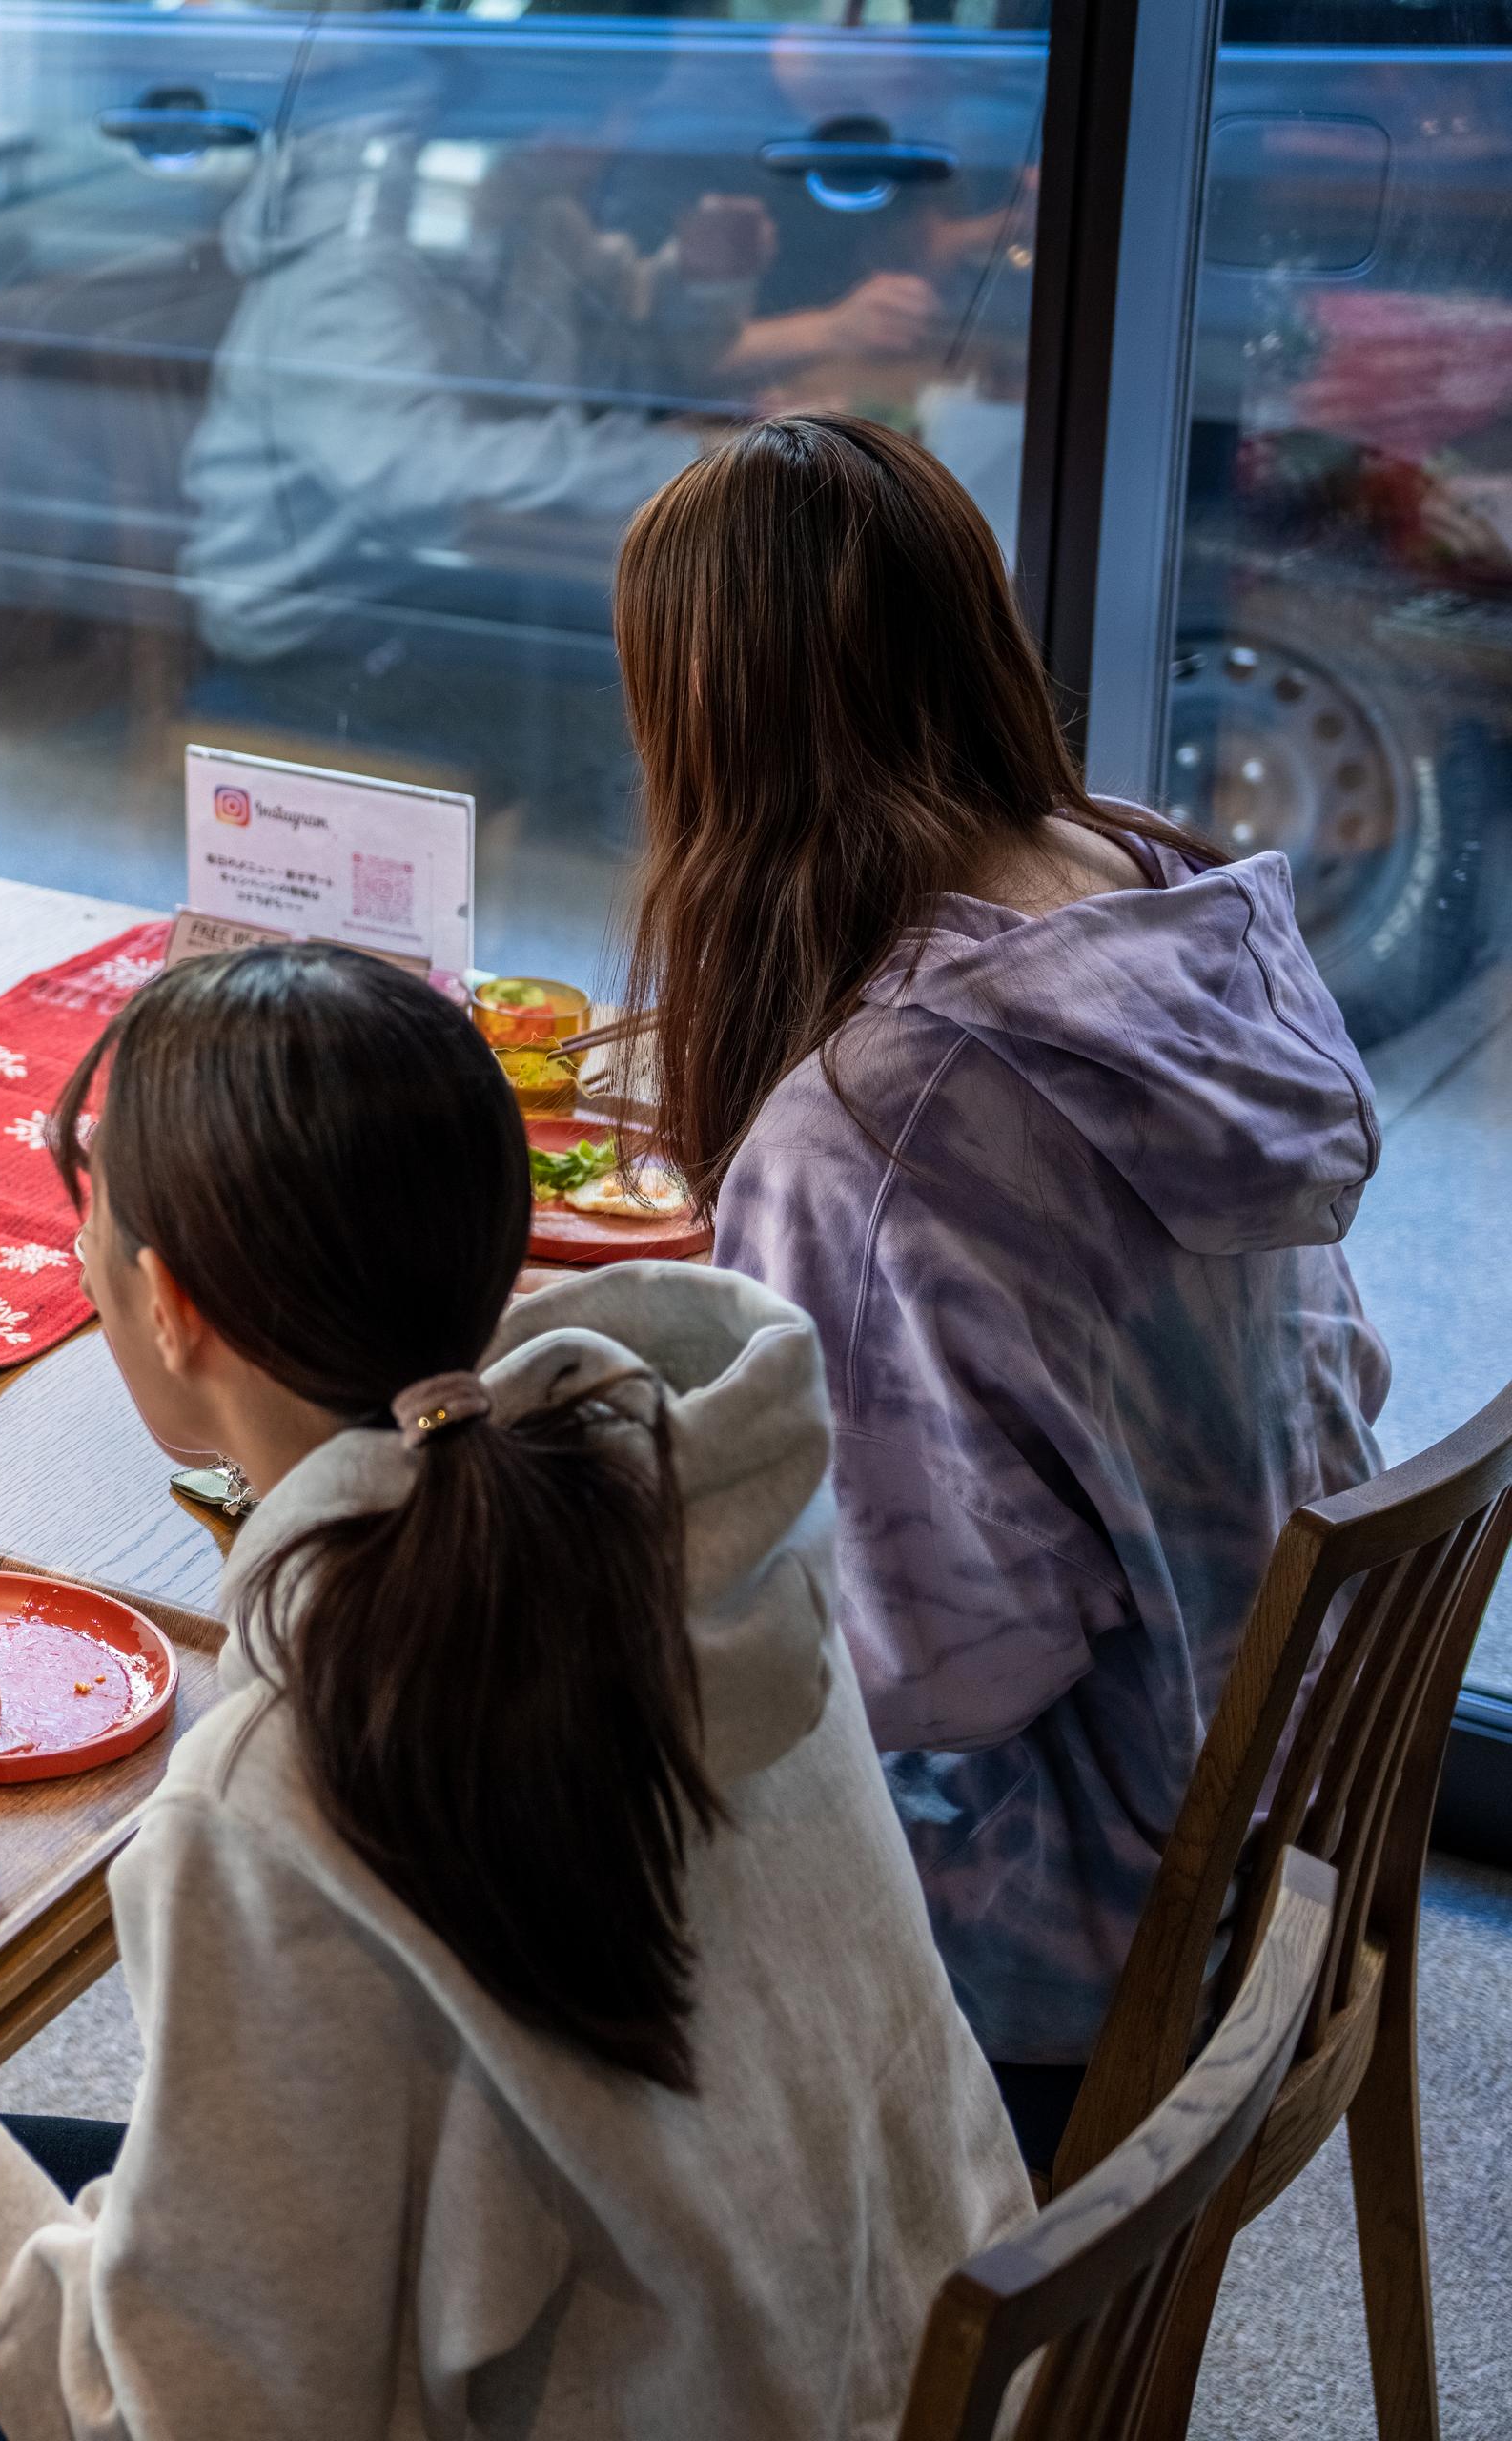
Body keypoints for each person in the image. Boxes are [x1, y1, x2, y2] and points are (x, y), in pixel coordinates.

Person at [0, 946, 1031, 2440]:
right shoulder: (690, 1507)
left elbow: (204, 2422)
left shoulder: (284, 1787)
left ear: (169, 1306)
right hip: (892, 2351)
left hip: (661, 2389)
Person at [613, 413, 1389, 2168]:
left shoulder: (869, 1128)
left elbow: (919, 1675)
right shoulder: (1169, 901)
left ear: (709, 728)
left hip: (1059, 1932)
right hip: (1271, 1792)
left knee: (477, 1822)